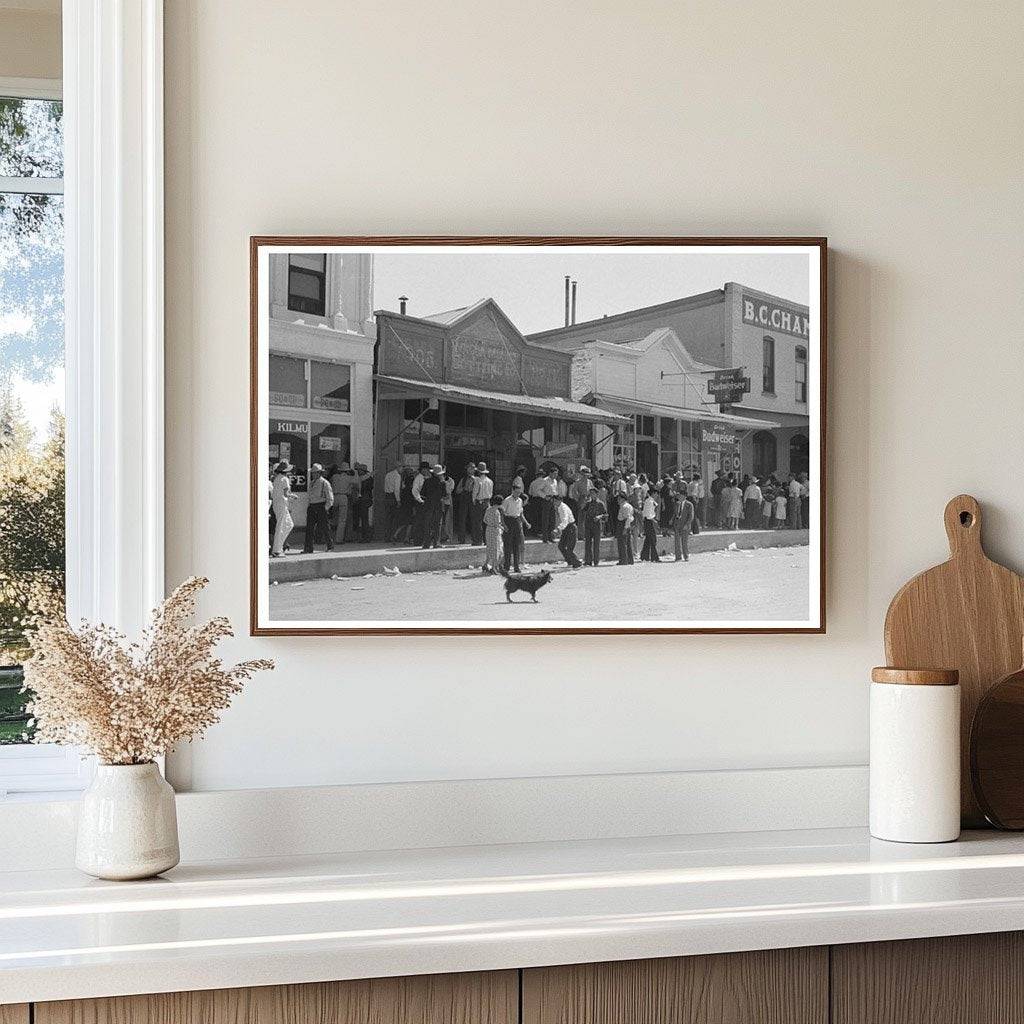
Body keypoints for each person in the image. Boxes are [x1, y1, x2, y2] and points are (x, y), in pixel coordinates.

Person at [303, 463, 335, 553]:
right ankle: (308, 548)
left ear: (319, 473)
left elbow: (330, 497)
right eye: (313, 473)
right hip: (312, 506)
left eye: (315, 473)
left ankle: (330, 546)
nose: (313, 474)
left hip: (321, 505)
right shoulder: (312, 482)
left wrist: (325, 508)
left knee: (325, 527)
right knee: (309, 528)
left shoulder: (325, 483)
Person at [500, 482, 530, 574]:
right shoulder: (507, 500)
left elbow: (520, 514)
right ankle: (507, 566)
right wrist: (504, 525)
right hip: (509, 520)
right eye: (516, 492)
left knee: (517, 545)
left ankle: (516, 566)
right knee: (507, 545)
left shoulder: (520, 501)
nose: (517, 494)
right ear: (512, 491)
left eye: (519, 492)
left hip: (517, 521)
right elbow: (502, 513)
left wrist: (526, 523)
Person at [270, 461, 296, 556]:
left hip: (277, 504)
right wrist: (293, 496)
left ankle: (278, 547)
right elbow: (286, 494)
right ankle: (276, 550)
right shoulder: (285, 479)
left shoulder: (277, 479)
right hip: (282, 504)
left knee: (289, 524)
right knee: (281, 526)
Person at [331, 462, 359, 545]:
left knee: (334, 518)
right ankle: (339, 539)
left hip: (334, 497)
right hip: (343, 497)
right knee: (342, 520)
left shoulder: (334, 477)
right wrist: (356, 471)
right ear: (347, 471)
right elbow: (357, 481)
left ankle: (330, 537)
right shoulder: (349, 478)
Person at [419, 464, 446, 549]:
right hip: (438, 505)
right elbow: (444, 495)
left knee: (427, 524)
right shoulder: (442, 483)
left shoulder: (427, 481)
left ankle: (426, 543)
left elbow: (422, 494)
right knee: (437, 524)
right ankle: (436, 543)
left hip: (428, 505)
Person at [552, 494, 582, 568]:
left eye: (556, 501)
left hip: (570, 527)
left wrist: (558, 528)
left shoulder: (563, 508)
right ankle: (570, 561)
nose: (555, 502)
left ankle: (577, 563)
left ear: (560, 500)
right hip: (567, 528)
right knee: (561, 546)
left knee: (569, 548)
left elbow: (565, 520)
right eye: (554, 501)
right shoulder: (559, 507)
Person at [581, 488, 606, 567]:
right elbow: (582, 510)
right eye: (590, 493)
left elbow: (605, 514)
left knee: (596, 544)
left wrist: (599, 517)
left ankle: (596, 561)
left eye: (593, 493)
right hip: (588, 524)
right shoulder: (588, 503)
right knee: (587, 543)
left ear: (596, 494)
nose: (591, 494)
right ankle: (588, 561)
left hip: (596, 525)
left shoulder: (600, 503)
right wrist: (584, 502)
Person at [470, 461, 493, 544]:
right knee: (486, 522)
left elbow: (474, 493)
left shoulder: (477, 480)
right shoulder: (490, 481)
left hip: (479, 502)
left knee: (477, 522)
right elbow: (491, 493)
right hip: (487, 502)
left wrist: (473, 501)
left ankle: (478, 540)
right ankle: (486, 540)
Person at [482, 494, 505, 573]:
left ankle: (486, 564)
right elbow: (497, 524)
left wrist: (490, 524)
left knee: (489, 548)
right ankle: (494, 567)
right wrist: (502, 528)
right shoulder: (497, 512)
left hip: (488, 529)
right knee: (496, 549)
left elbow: (484, 520)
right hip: (495, 531)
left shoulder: (488, 509)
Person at [453, 464, 476, 544]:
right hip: (464, 500)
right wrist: (463, 489)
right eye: (469, 469)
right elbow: (457, 491)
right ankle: (461, 539)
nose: (470, 470)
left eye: (472, 469)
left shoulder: (477, 480)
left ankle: (474, 538)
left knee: (474, 519)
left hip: (473, 500)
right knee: (462, 519)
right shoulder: (463, 479)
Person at [672, 485, 695, 562]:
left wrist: (687, 524)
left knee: (684, 542)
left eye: (680, 495)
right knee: (677, 542)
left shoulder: (689, 505)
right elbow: (675, 514)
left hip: (684, 524)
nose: (679, 497)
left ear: (684, 496)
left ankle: (686, 556)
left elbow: (691, 516)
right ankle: (678, 557)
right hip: (677, 524)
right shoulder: (677, 504)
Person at [410, 461, 431, 545]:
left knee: (426, 521)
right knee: (419, 521)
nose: (425, 471)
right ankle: (417, 541)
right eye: (424, 469)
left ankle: (424, 539)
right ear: (421, 470)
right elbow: (415, 490)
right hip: (421, 502)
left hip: (427, 501)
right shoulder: (418, 478)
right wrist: (420, 500)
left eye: (427, 469)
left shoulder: (428, 477)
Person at [537, 467, 557, 542]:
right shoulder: (545, 480)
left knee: (552, 520)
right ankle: (545, 538)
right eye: (554, 474)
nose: (556, 475)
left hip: (553, 499)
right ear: (550, 473)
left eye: (556, 474)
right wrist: (545, 496)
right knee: (546, 519)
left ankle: (551, 537)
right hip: (546, 500)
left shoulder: (555, 481)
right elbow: (538, 490)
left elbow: (555, 490)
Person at [639, 489, 661, 562]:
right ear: (654, 493)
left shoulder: (649, 501)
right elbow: (649, 514)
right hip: (649, 521)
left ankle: (644, 556)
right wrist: (654, 521)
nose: (657, 495)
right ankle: (654, 557)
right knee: (652, 539)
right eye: (656, 494)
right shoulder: (650, 501)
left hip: (648, 521)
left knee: (648, 540)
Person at [383, 463, 403, 540]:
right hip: (393, 497)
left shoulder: (388, 474)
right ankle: (392, 536)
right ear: (398, 467)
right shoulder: (397, 476)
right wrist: (398, 500)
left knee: (388, 517)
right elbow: (396, 490)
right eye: (401, 467)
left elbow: (385, 486)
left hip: (387, 496)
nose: (402, 469)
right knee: (394, 518)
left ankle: (386, 536)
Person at [616, 492, 635, 565]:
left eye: (619, 499)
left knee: (622, 543)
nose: (618, 500)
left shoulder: (624, 507)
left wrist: (625, 528)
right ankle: (629, 559)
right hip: (626, 524)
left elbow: (628, 518)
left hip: (623, 524)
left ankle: (623, 560)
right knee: (627, 543)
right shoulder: (628, 506)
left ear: (622, 499)